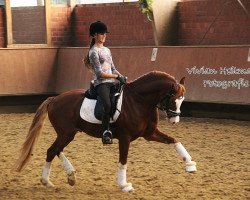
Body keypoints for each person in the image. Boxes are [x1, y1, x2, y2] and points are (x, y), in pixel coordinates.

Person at [84, 21, 126, 145]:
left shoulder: (107, 50)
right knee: (107, 105)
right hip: (101, 84)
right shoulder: (93, 52)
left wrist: (121, 76)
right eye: (102, 34)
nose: (104, 36)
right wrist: (116, 77)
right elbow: (99, 74)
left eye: (105, 34)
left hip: (111, 82)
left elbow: (113, 68)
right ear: (95, 35)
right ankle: (105, 132)